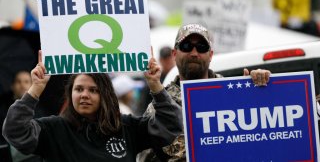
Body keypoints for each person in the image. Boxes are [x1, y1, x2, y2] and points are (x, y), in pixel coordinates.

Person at [2, 51, 182, 162]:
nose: (84, 95)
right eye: (78, 89)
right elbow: (14, 131)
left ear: (106, 96)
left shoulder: (126, 127)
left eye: (93, 90)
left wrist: (156, 86)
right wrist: (35, 88)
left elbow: (172, 126)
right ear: (70, 93)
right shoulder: (53, 129)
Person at [138, 23, 271, 161]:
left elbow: (261, 140)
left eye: (202, 47)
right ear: (174, 54)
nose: (194, 53)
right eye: (186, 46)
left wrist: (260, 90)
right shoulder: (159, 107)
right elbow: (144, 157)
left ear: (211, 54)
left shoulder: (233, 93)